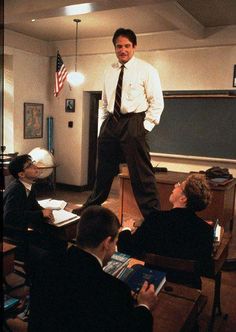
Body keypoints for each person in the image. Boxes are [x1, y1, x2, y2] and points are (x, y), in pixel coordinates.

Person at [74, 28, 164, 218]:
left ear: (134, 47)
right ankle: (91, 206)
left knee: (141, 175)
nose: (123, 50)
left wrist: (143, 128)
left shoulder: (147, 70)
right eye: (119, 46)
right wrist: (103, 125)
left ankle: (154, 217)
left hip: (134, 122)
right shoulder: (109, 70)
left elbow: (157, 103)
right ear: (114, 48)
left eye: (127, 46)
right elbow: (105, 102)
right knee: (103, 170)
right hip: (111, 122)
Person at [29, 205, 157, 332]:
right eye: (115, 242)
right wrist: (144, 306)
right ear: (107, 243)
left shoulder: (45, 264)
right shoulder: (115, 291)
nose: (114, 249)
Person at [118, 174, 214, 289]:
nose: (175, 185)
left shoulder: (155, 219)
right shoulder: (205, 230)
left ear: (183, 199)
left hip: (153, 282)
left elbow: (126, 248)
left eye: (180, 185)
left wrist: (126, 229)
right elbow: (206, 269)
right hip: (188, 286)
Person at [3, 154, 66, 257]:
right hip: (12, 236)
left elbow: (33, 205)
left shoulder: (28, 184)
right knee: (50, 250)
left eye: (32, 163)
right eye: (29, 165)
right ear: (21, 174)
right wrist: (41, 213)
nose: (35, 166)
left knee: (59, 240)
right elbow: (9, 217)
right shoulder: (16, 189)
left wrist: (45, 211)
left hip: (21, 230)